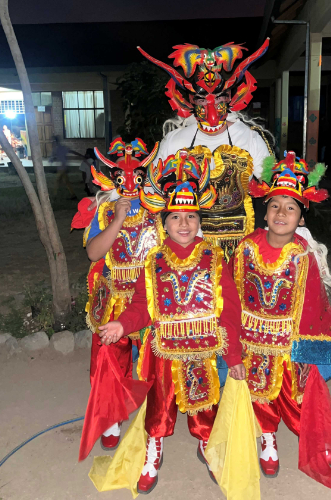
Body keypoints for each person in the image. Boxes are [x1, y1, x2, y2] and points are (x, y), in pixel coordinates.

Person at [94, 150, 245, 495]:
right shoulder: (154, 260)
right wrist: (122, 325)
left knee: (203, 402)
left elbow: (230, 310)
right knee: (159, 404)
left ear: (200, 221)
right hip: (162, 348)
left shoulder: (213, 257)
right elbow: (142, 305)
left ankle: (207, 443)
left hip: (202, 348)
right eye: (175, 216)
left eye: (191, 216)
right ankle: (154, 447)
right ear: (164, 223)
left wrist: (233, 356)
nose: (184, 224)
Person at [231, 151, 331, 490]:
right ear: (264, 211)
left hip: (290, 340)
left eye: (291, 208)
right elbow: (233, 297)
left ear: (301, 217)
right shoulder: (245, 248)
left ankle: (313, 436)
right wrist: (234, 344)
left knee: (298, 395)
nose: (281, 213)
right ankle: (268, 439)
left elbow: (314, 306)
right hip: (253, 341)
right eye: (275, 206)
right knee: (260, 394)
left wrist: (309, 350)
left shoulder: (303, 255)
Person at [138, 40, 274, 262]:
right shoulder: (175, 141)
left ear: (231, 97)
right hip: (186, 241)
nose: (211, 108)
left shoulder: (249, 138)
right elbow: (151, 187)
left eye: (219, 98)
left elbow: (273, 185)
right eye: (202, 99)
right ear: (190, 101)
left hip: (238, 239)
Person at [72, 136, 163, 453]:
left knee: (156, 359)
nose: (129, 181)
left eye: (136, 174)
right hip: (116, 295)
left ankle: (156, 418)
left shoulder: (159, 207)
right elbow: (93, 253)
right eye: (122, 175)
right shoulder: (105, 209)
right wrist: (119, 217)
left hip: (152, 295)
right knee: (110, 359)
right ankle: (111, 416)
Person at [50, 135, 82, 199]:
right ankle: (73, 194)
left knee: (57, 181)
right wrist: (81, 155)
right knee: (65, 182)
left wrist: (52, 160)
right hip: (64, 166)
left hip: (61, 168)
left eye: (52, 141)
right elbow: (72, 151)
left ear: (54, 141)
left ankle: (54, 195)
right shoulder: (63, 147)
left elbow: (52, 158)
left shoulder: (56, 149)